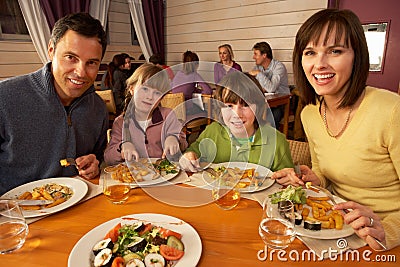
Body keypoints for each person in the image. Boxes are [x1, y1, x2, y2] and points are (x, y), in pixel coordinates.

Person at [272, 9, 400, 250]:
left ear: (357, 57)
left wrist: (387, 229)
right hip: (336, 229)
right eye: (310, 52)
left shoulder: (392, 111)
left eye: (335, 51)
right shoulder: (309, 113)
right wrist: (313, 177)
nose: (319, 64)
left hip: (383, 238)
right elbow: (323, 171)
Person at [0, 13, 109, 195]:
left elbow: (97, 157)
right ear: (51, 50)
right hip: (14, 216)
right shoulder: (4, 97)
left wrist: (93, 165)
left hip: (79, 207)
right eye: (71, 58)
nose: (81, 72)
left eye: (91, 62)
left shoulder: (98, 108)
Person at [179, 71, 293, 172]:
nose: (237, 114)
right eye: (229, 106)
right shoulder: (212, 132)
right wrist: (188, 157)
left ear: (259, 107)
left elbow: (289, 182)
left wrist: (288, 178)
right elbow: (191, 155)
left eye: (246, 105)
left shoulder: (277, 142)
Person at [104, 63, 188, 165]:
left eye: (157, 93)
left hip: (163, 174)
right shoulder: (121, 122)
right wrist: (122, 146)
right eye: (145, 89)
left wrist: (173, 138)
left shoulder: (168, 115)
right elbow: (108, 158)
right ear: (131, 89)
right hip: (134, 177)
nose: (150, 97)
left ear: (161, 98)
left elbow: (184, 144)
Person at [249, 41, 290, 128]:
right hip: (263, 103)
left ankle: (270, 139)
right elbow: (254, 87)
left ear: (264, 55)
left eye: (256, 54)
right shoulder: (257, 67)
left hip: (281, 103)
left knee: (270, 118)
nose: (253, 57)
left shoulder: (279, 67)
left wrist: (259, 74)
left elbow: (271, 88)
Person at [171, 51, 213, 115]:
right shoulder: (194, 75)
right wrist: (201, 92)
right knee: (205, 113)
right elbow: (208, 91)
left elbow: (175, 88)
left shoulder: (178, 74)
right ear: (195, 64)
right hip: (187, 111)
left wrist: (194, 90)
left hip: (175, 111)